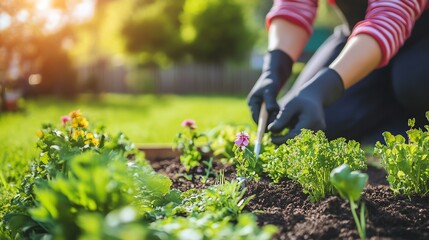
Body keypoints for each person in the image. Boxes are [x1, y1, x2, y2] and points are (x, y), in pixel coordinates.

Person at [247, 0, 429, 145]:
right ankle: (382, 116)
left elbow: (389, 19)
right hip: (358, 38)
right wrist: (275, 68)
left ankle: (408, 125)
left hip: (419, 40)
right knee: (306, 122)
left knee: (413, 80)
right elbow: (294, 5)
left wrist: (323, 88)